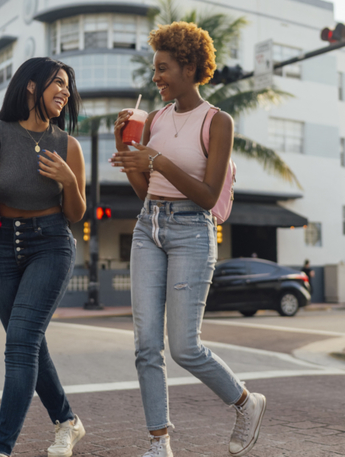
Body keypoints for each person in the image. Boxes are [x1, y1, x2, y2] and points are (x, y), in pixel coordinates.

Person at [111, 22, 266, 457]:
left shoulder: (218, 122)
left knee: (184, 347)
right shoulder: (154, 119)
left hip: (192, 231)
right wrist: (126, 149)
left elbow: (206, 194)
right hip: (149, 226)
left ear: (189, 66)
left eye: (163, 68)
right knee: (145, 344)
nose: (156, 76)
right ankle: (159, 443)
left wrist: (155, 159)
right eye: (155, 69)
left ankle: (245, 402)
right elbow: (145, 190)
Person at [0, 57, 87, 457]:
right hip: (0, 248)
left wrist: (68, 179)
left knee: (20, 344)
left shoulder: (68, 145)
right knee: (29, 342)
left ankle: (0, 449)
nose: (66, 91)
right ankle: (67, 421)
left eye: (68, 86)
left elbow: (76, 213)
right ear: (32, 86)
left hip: (50, 244)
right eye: (58, 83)